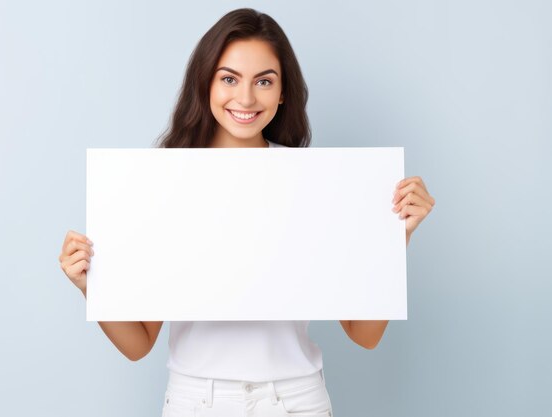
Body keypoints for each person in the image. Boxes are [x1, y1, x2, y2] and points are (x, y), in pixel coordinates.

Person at [58, 8, 435, 417]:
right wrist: (90, 285)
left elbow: (364, 334)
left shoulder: (315, 182)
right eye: (229, 78)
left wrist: (394, 237)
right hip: (196, 400)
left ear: (283, 91)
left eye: (264, 81)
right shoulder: (166, 180)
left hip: (297, 400)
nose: (246, 98)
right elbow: (138, 344)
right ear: (205, 83)